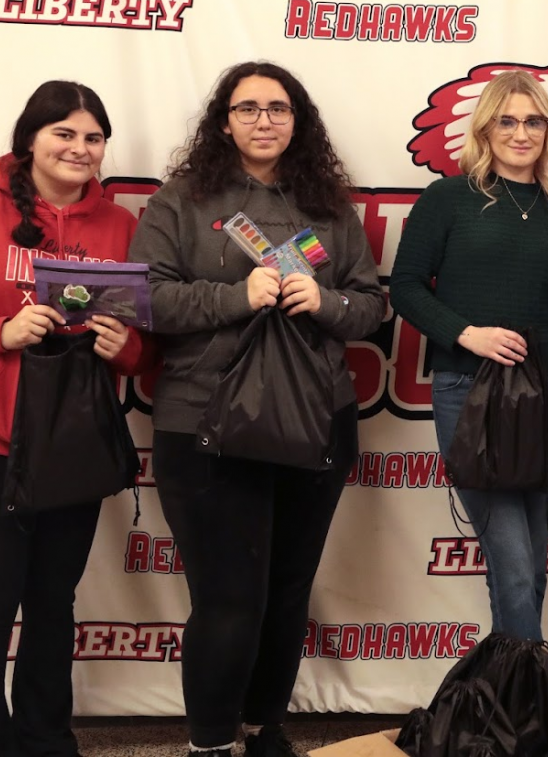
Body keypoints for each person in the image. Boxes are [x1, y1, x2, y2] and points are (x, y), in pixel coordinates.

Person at [127, 62, 385, 757]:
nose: (264, 119)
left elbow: (371, 305)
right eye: (248, 108)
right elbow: (145, 297)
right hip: (204, 425)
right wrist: (235, 297)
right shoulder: (181, 200)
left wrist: (324, 302)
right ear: (223, 120)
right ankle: (210, 742)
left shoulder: (329, 205)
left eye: (278, 107)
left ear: (298, 121)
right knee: (229, 598)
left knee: (286, 591)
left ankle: (263, 727)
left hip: (316, 420)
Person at [0, 80, 153, 757]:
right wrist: (0, 330)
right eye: (65, 134)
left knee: (54, 601)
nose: (80, 148)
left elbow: (143, 345)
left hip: (73, 440)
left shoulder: (121, 226)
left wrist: (124, 347)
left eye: (93, 137)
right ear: (30, 141)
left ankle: (46, 739)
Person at [390, 69, 548, 642]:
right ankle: (530, 701)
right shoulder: (449, 198)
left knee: (530, 560)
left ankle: (511, 696)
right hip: (467, 387)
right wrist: (466, 333)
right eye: (507, 120)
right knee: (509, 558)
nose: (521, 132)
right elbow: (405, 286)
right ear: (485, 127)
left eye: (533, 121)